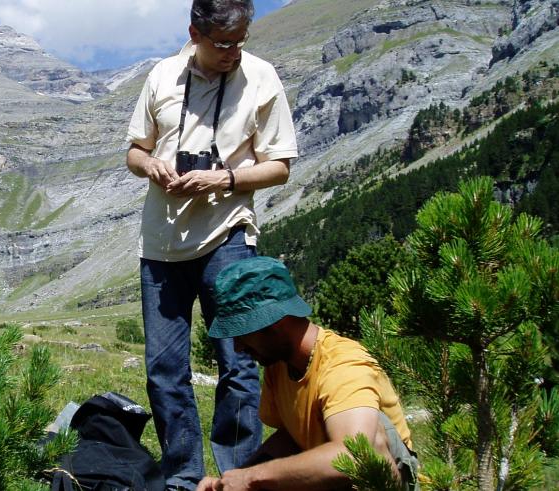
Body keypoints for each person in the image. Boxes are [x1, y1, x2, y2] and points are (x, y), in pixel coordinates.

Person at [125, 0, 298, 487]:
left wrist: (222, 179)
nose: (233, 53)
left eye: (241, 41)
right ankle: (183, 477)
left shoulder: (261, 78)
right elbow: (135, 151)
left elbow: (281, 166)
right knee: (164, 369)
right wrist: (153, 166)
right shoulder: (161, 76)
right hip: (161, 243)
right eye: (222, 44)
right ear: (194, 33)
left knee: (238, 361)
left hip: (229, 233)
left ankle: (236, 478)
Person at [196, 256, 420, 491]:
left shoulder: (343, 365)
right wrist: (232, 481)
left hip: (380, 482)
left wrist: (253, 477)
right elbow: (291, 436)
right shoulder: (278, 364)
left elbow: (357, 456)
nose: (238, 347)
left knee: (369, 436)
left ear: (275, 323)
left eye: (242, 334)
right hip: (333, 479)